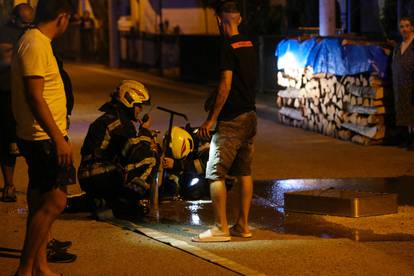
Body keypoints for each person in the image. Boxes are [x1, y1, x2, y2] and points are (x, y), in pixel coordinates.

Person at [11, 0, 76, 275]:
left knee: (38, 200)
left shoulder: (34, 40)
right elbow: (35, 97)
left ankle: (39, 265)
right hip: (43, 138)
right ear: (62, 17)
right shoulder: (36, 44)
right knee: (56, 201)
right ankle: (25, 269)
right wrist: (58, 138)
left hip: (39, 136)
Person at [194, 1, 258, 242]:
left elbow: (226, 86)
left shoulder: (227, 47)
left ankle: (220, 228)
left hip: (231, 120)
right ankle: (242, 225)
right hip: (250, 116)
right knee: (244, 172)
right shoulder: (250, 44)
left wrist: (210, 120)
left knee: (215, 173)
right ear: (239, 19)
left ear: (219, 20)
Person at [77, 80, 159, 218]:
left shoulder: (109, 117)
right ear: (129, 101)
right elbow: (135, 151)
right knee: (150, 159)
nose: (140, 110)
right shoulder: (120, 123)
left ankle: (101, 202)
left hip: (90, 177)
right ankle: (124, 204)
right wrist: (145, 132)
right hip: (101, 176)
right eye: (139, 106)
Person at [0, 3, 33, 202]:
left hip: (26, 93)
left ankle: (35, 186)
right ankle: (9, 185)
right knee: (6, 140)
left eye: (29, 23)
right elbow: (4, 60)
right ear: (14, 18)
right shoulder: (4, 33)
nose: (26, 27)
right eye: (23, 23)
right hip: (5, 92)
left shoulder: (32, 34)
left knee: (31, 139)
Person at [392, 16, 414, 150]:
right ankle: (407, 138)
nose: (404, 29)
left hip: (411, 83)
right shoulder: (399, 45)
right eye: (402, 26)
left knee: (412, 111)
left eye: (407, 26)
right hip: (400, 84)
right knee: (404, 111)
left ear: (412, 27)